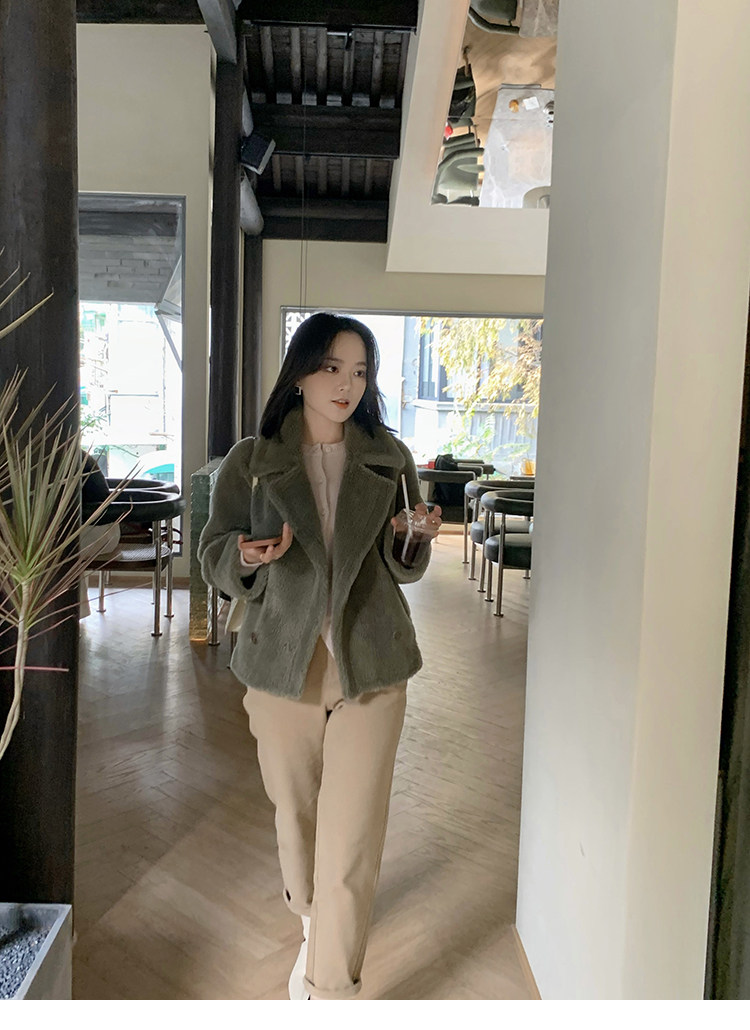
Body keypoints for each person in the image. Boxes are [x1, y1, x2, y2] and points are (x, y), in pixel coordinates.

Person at [198, 312, 441, 1001]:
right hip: (282, 665)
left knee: (353, 835)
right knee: (297, 819)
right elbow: (212, 553)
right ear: (300, 373)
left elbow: (404, 565)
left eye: (359, 371)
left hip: (372, 662)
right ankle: (312, 917)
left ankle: (329, 991)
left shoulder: (389, 458)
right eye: (332, 367)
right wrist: (244, 557)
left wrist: (414, 539)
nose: (346, 384)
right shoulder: (251, 461)